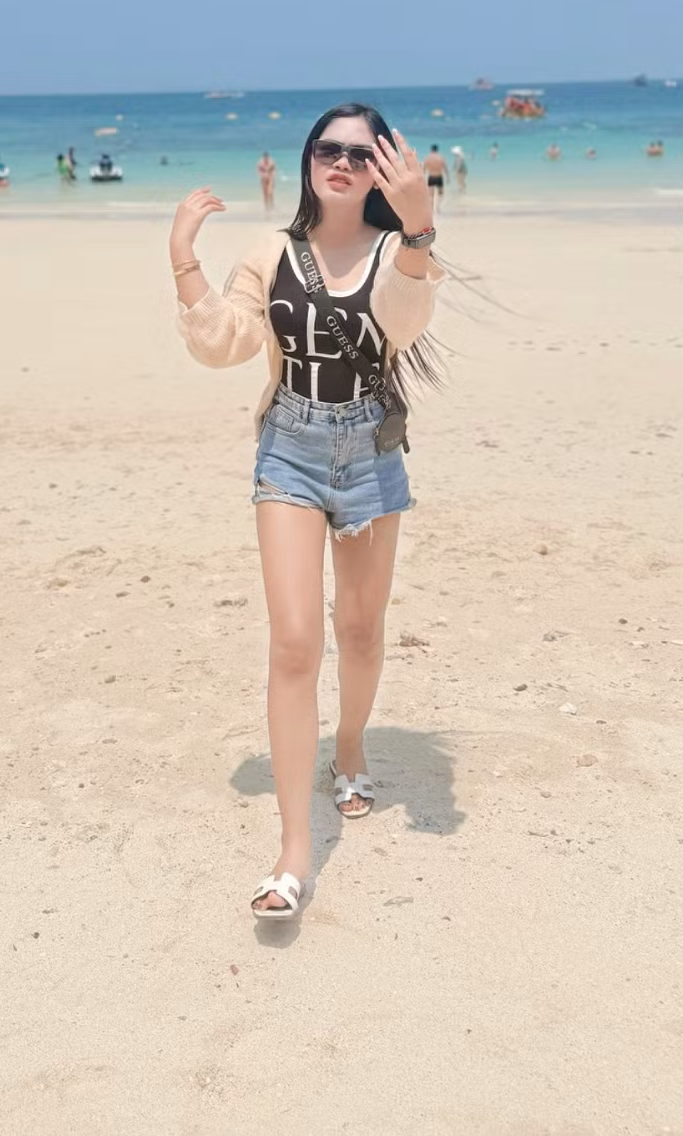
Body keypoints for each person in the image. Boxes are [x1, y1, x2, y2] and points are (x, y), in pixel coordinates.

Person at [171, 104, 445, 921]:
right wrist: (184, 259)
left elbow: (403, 324)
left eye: (360, 155)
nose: (342, 163)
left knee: (359, 630)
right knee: (294, 641)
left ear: (381, 170)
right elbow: (224, 343)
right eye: (328, 149)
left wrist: (420, 231)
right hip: (288, 447)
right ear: (308, 160)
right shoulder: (271, 252)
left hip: (370, 452)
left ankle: (349, 743)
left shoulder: (397, 251)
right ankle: (294, 851)